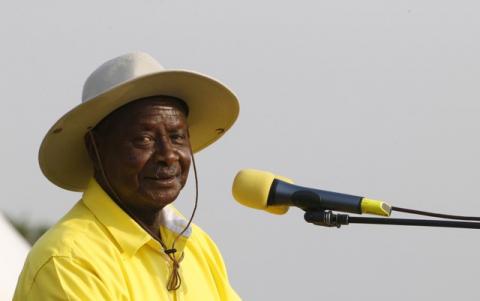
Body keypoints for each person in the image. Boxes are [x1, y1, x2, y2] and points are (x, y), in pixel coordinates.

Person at [13, 52, 241, 300]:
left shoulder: (199, 247)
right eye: (144, 139)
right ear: (95, 148)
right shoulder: (69, 260)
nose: (168, 155)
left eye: (177, 137)